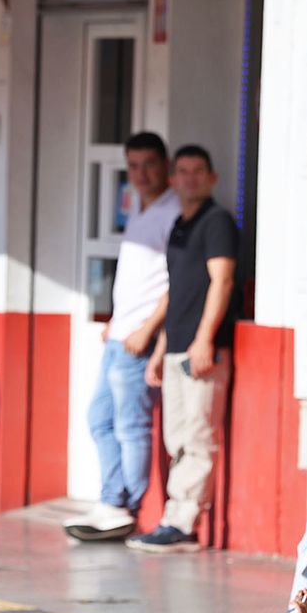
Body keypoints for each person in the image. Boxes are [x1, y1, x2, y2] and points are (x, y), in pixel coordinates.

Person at [65, 133, 178, 541]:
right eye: (133, 166)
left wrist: (147, 330)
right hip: (120, 334)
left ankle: (124, 506)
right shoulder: (138, 210)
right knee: (99, 418)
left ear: (164, 165)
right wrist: (115, 321)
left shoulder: (173, 211)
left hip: (139, 340)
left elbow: (175, 281)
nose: (141, 173)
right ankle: (111, 499)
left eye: (149, 164)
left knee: (130, 425)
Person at [129, 145, 239, 553]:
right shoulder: (179, 224)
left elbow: (222, 281)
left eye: (198, 171)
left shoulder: (217, 222)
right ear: (173, 180)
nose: (190, 178)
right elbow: (177, 291)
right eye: (183, 172)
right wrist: (160, 348)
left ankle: (183, 524)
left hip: (201, 349)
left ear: (212, 177)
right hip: (175, 346)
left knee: (197, 436)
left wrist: (204, 338)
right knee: (177, 437)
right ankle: (174, 519)